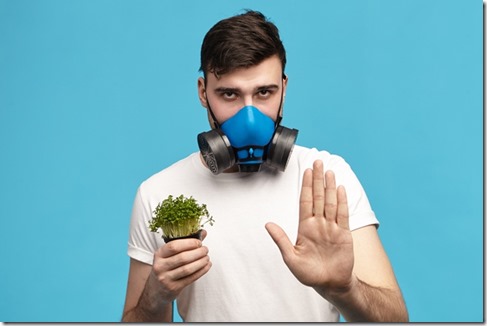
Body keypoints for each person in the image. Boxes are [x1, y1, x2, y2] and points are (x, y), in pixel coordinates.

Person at [122, 10, 408, 322]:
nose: (249, 117)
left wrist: (344, 288)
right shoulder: (159, 193)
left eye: (264, 93)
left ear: (284, 88)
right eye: (229, 94)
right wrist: (154, 297)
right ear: (203, 92)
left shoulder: (327, 176)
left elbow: (396, 319)